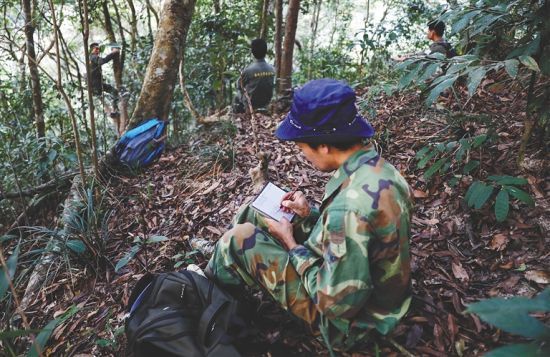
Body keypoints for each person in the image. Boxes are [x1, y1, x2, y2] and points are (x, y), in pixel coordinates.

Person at [206, 78, 413, 353]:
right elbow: (354, 235)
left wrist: (292, 246)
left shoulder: (346, 210)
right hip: (376, 291)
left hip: (353, 327)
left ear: (324, 145)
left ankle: (211, 311)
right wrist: (308, 215)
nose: (302, 155)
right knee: (253, 214)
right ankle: (233, 288)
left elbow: (335, 304)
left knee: (239, 238)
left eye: (301, 147)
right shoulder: (381, 171)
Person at [233, 38, 275, 114]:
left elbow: (238, 85)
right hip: (266, 103)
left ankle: (239, 117)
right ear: (266, 52)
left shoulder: (248, 70)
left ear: (252, 52)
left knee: (237, 96)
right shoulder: (272, 69)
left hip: (252, 105)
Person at [89, 42, 120, 117]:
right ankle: (113, 111)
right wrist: (113, 53)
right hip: (96, 85)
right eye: (96, 49)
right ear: (91, 50)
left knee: (111, 94)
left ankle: (112, 113)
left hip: (96, 84)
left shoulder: (92, 58)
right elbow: (102, 61)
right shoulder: (92, 57)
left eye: (98, 49)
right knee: (114, 92)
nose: (98, 50)